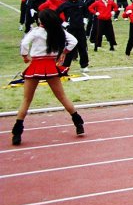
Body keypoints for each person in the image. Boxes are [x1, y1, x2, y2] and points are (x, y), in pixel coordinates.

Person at [11, 10, 85, 145]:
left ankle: (17, 132)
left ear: (41, 21)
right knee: (62, 97)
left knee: (27, 99)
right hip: (51, 65)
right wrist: (64, 52)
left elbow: (24, 44)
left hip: (36, 65)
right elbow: (73, 41)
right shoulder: (58, 30)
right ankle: (78, 122)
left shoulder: (36, 31)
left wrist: (25, 56)